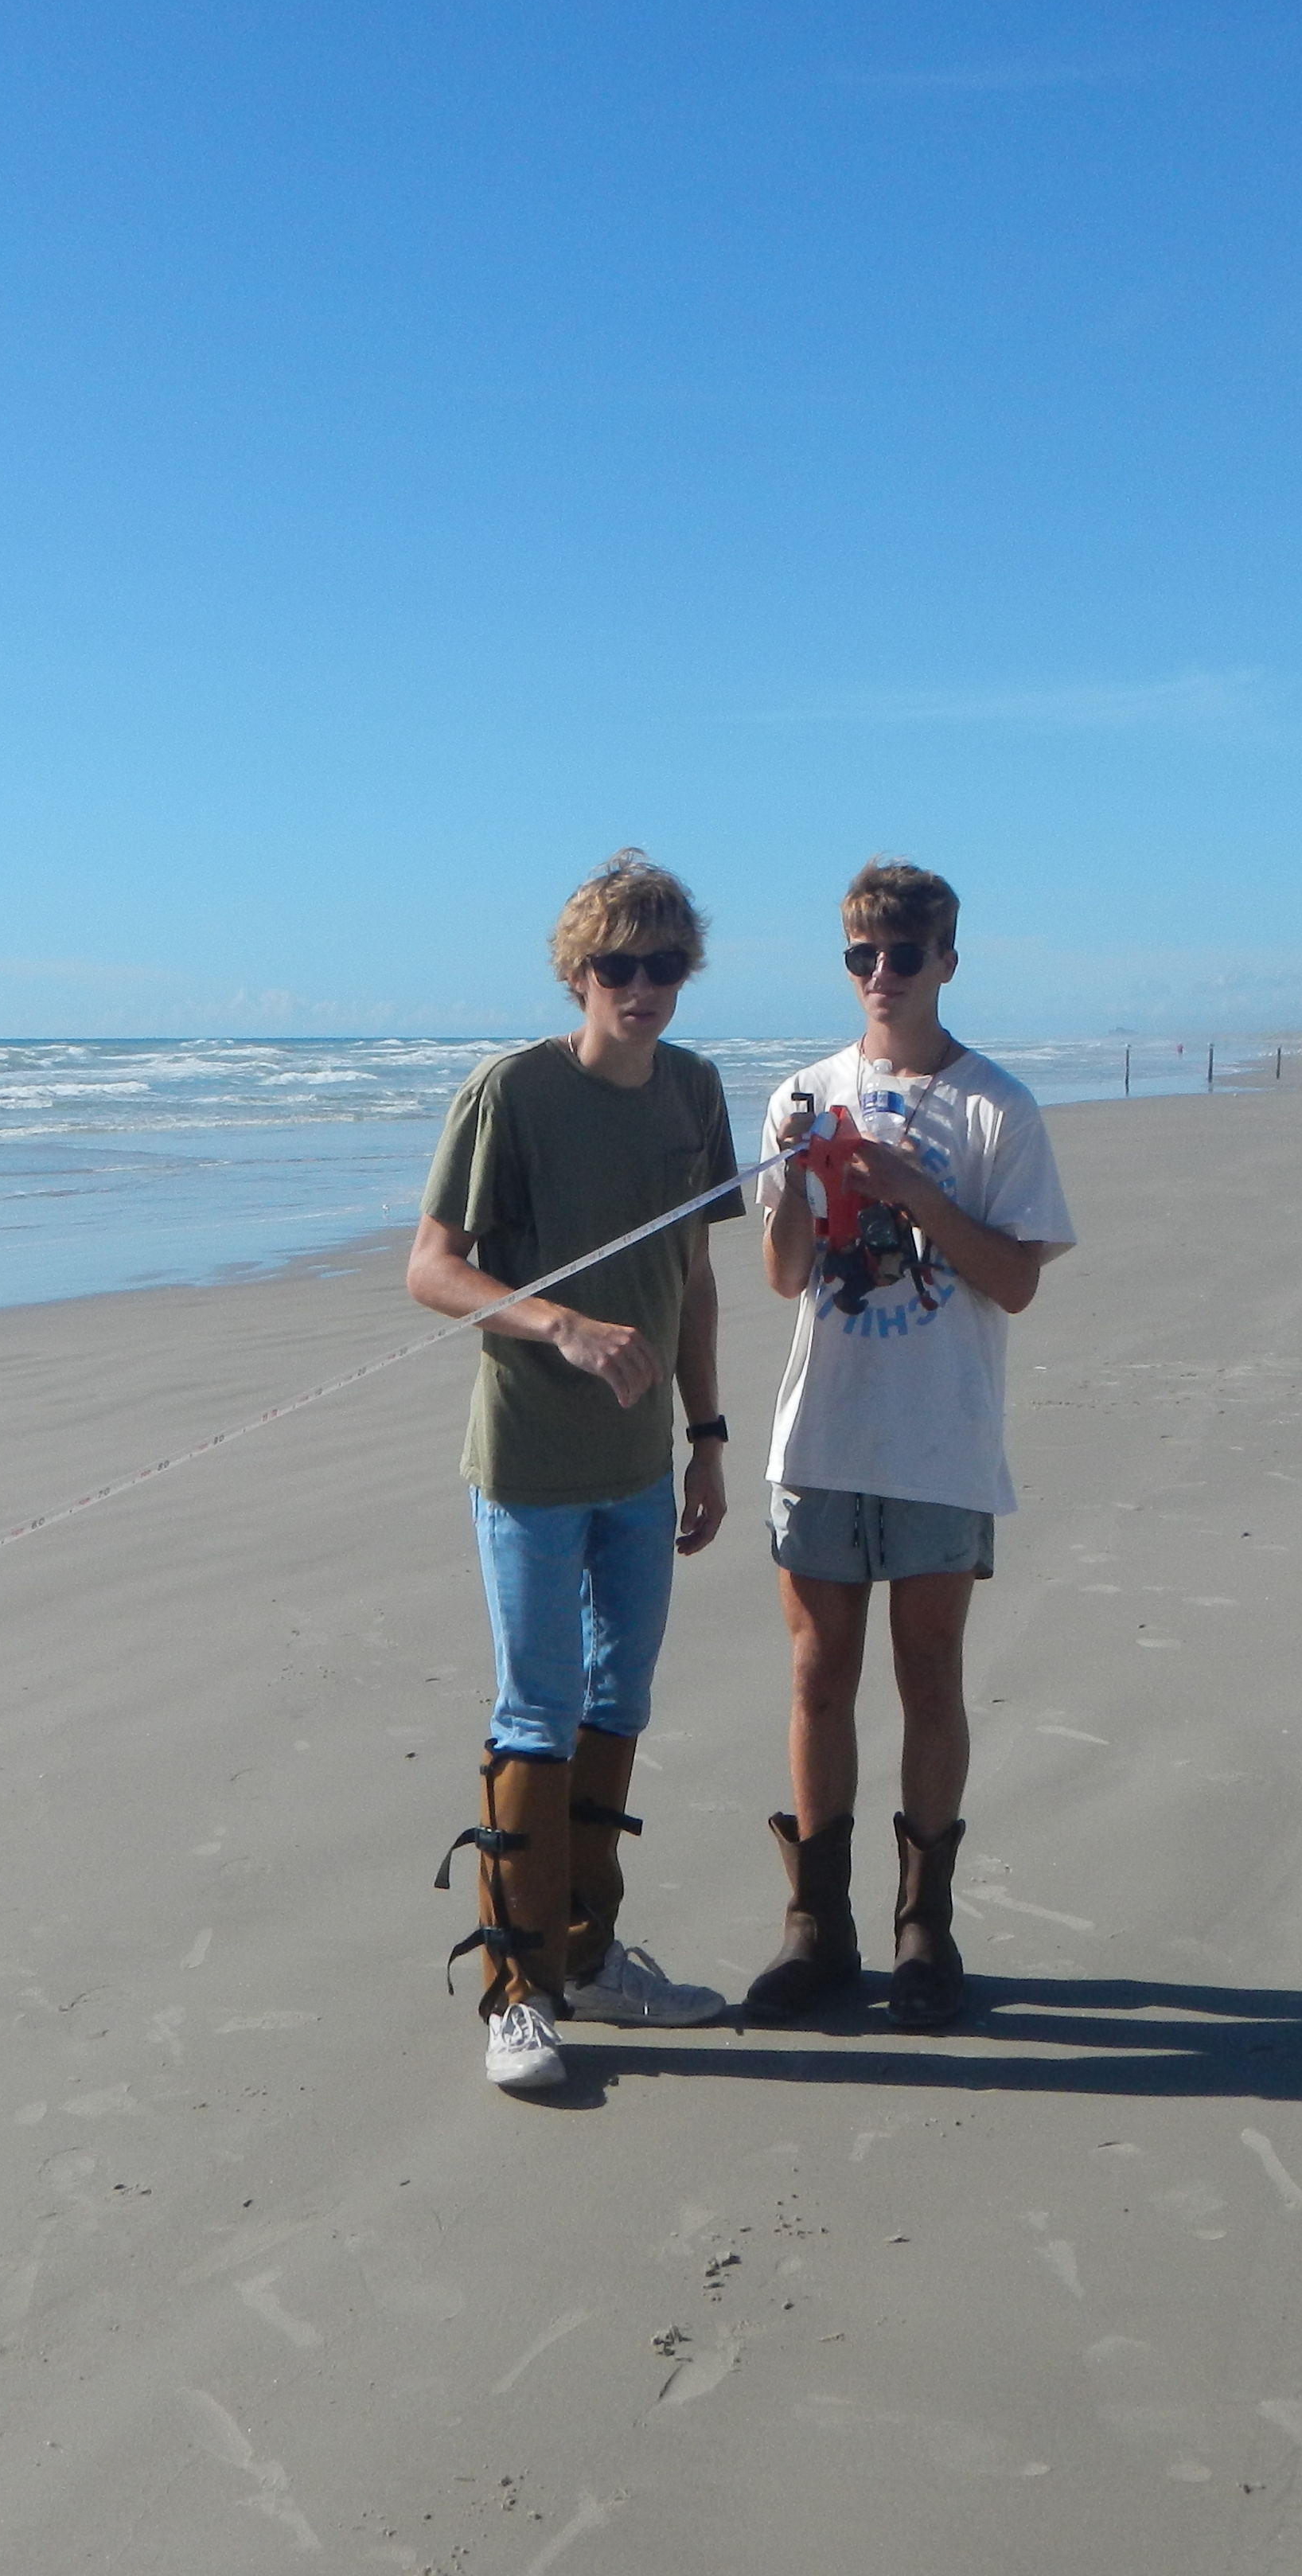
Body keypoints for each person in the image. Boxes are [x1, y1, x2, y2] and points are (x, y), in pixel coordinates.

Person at [407, 850, 742, 2092]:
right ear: (578, 973)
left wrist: (707, 1439)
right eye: (617, 967)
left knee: (621, 1700)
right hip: (531, 1462)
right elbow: (433, 1269)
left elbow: (697, 1285)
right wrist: (561, 1324)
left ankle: (593, 1959)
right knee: (534, 1709)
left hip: (641, 1470)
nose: (641, 988)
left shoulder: (696, 1092)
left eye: (663, 966)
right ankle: (518, 1989)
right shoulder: (513, 1094)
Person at [744, 860, 1077, 2030]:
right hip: (822, 1433)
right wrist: (794, 1181)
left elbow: (1015, 1285)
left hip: (939, 1439)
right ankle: (815, 1926)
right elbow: (785, 1273)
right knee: (815, 1673)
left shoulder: (999, 1108)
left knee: (928, 1671)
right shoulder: (801, 1090)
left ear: (946, 959)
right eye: (860, 956)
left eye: (901, 954)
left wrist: (911, 1193)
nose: (879, 977)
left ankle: (924, 1927)